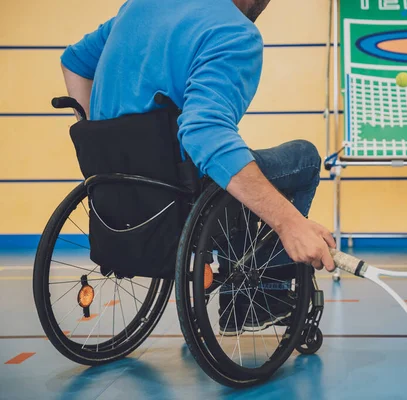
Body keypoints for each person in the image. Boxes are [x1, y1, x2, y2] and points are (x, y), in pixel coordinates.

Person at [59, 0, 336, 334]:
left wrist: (100, 137)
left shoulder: (139, 6)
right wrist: (290, 223)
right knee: (302, 157)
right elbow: (205, 133)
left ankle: (241, 270)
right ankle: (258, 295)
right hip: (181, 187)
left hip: (114, 187)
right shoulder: (233, 30)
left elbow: (73, 61)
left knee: (235, 165)